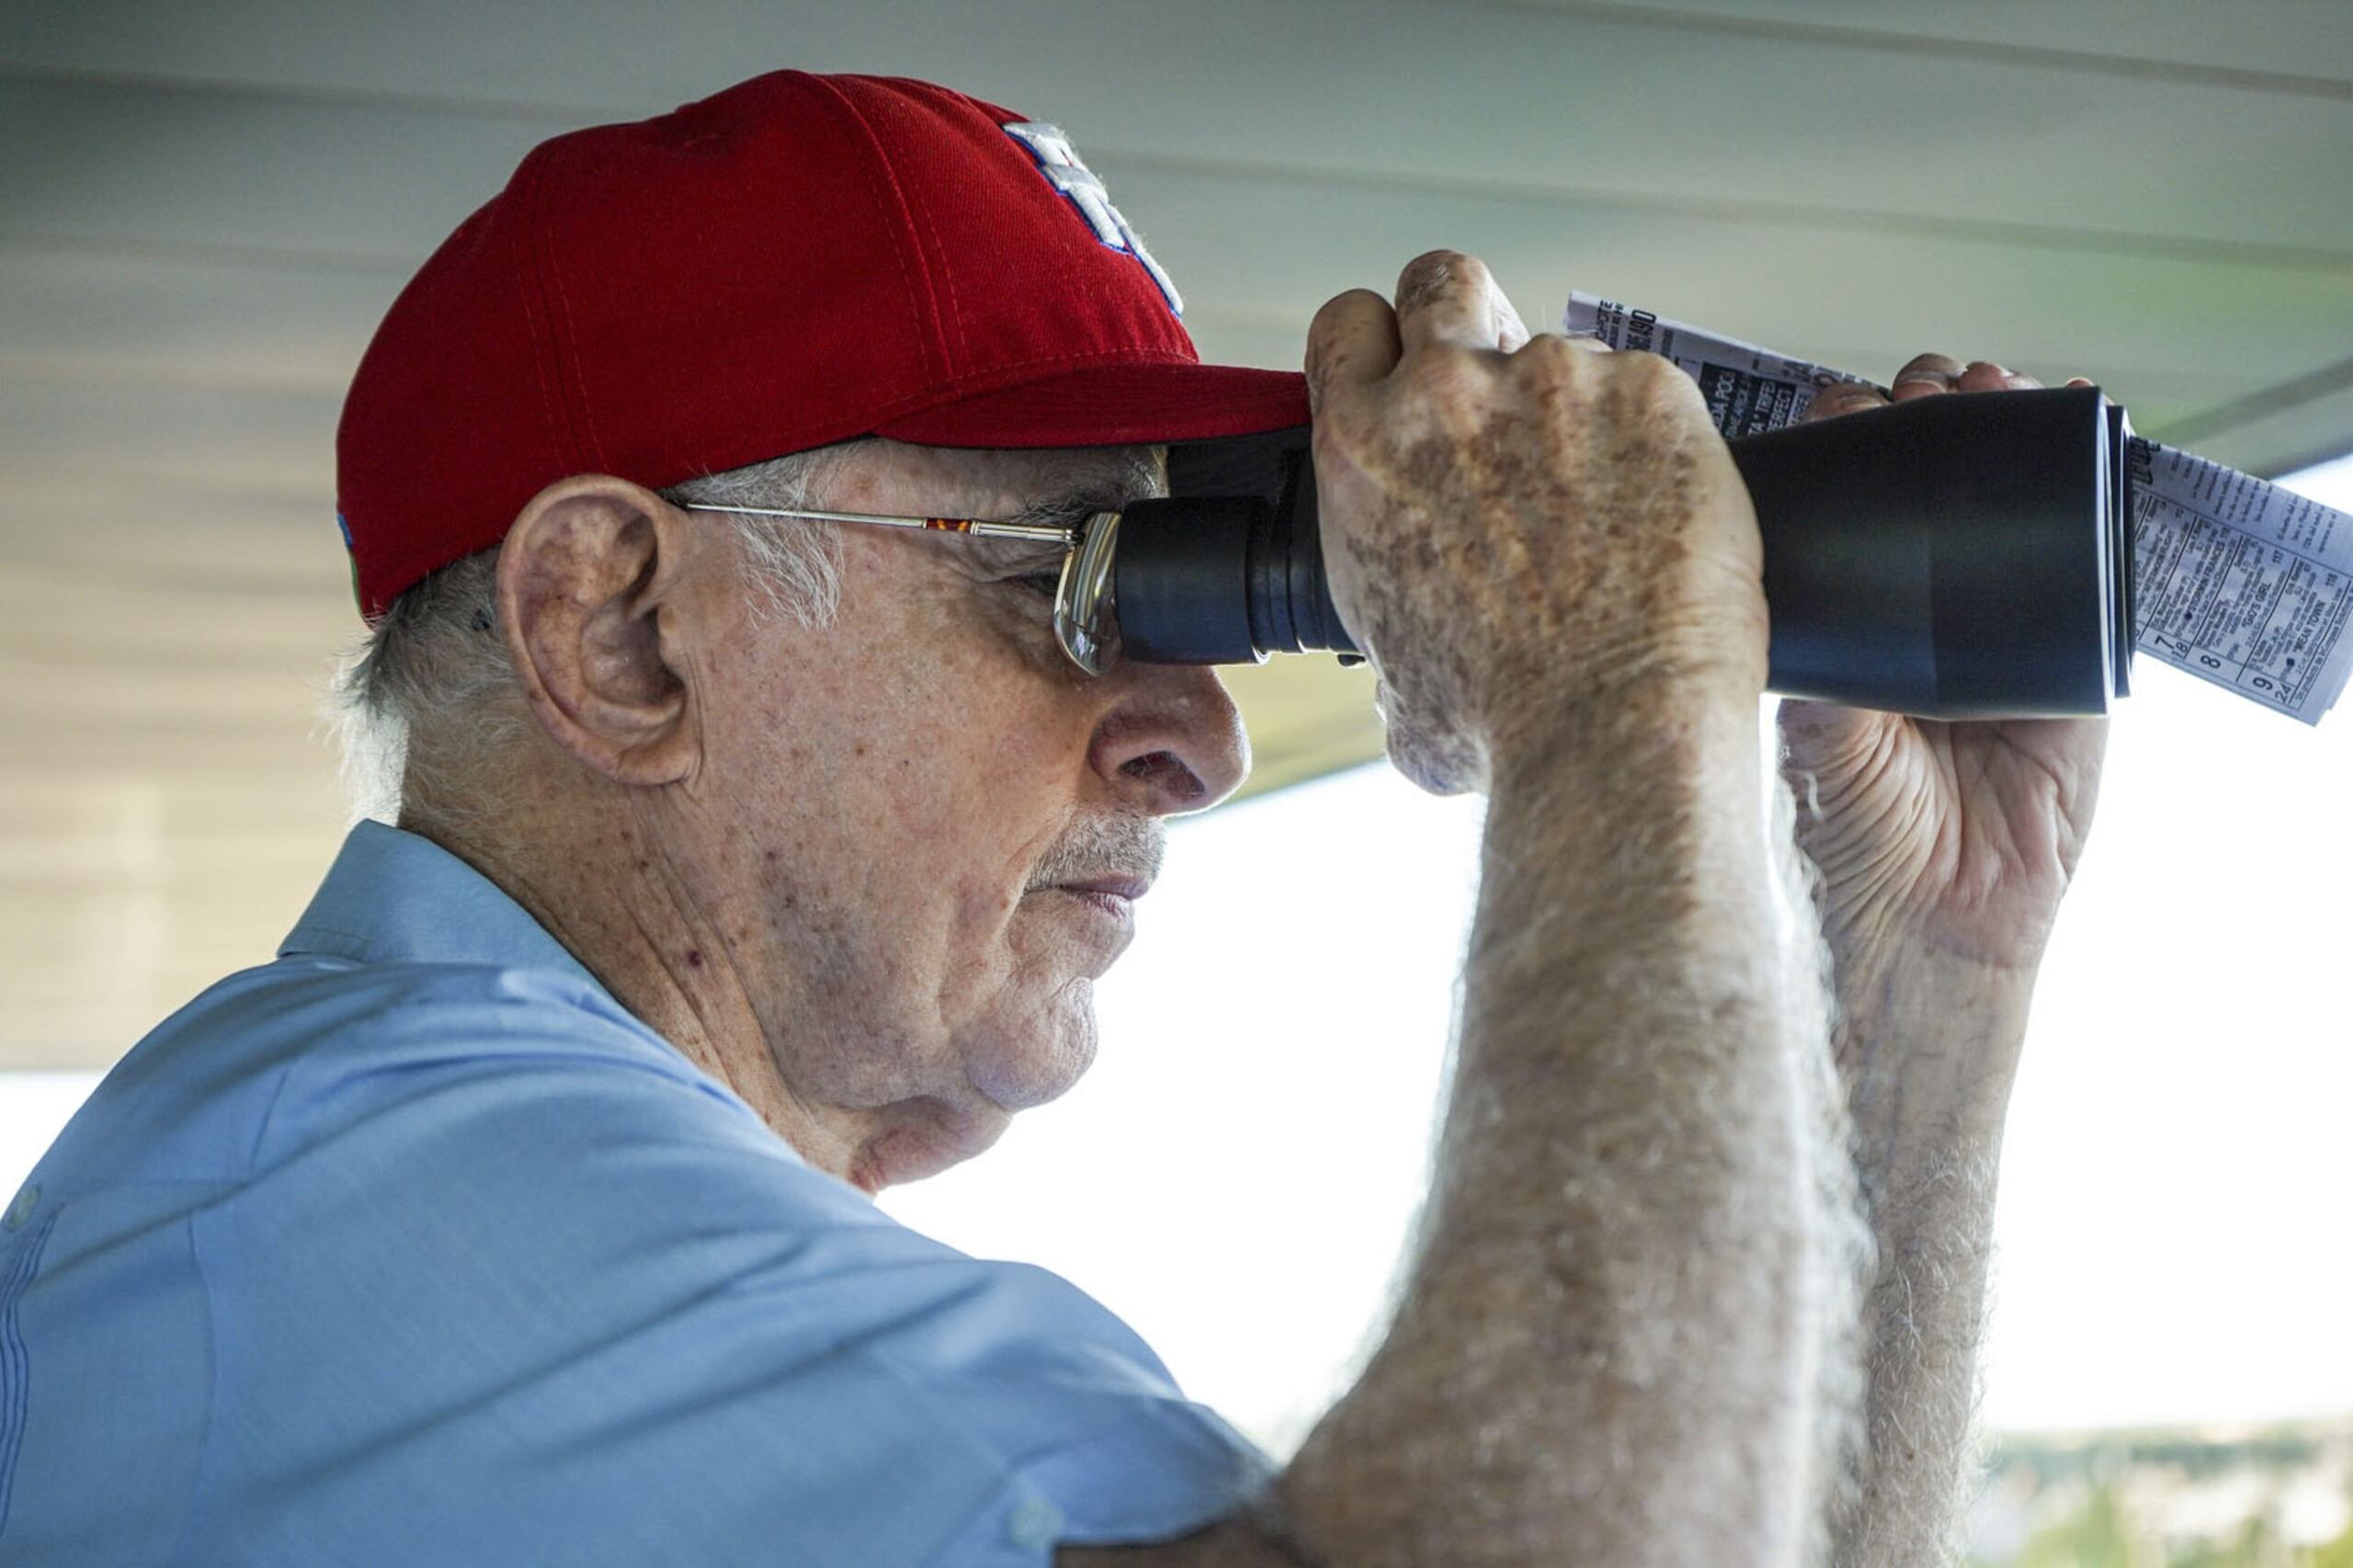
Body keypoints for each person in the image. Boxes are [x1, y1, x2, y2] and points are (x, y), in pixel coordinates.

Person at [0, 71, 2103, 1567]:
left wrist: (1914, 986)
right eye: (1075, 578)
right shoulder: (363, 1195)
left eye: (1203, 592)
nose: (1191, 737)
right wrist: (1611, 687)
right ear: (616, 626)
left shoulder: (398, 1214)